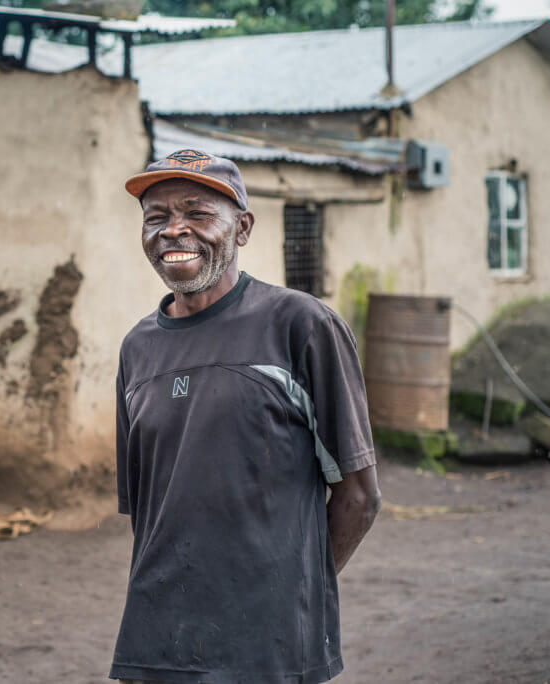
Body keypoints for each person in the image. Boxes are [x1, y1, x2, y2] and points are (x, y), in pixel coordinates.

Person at [110, 150, 382, 684]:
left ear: (243, 228)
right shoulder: (137, 348)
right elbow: (148, 511)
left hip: (271, 647)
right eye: (156, 217)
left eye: (197, 213)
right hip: (157, 642)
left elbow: (359, 495)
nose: (174, 230)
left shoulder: (300, 324)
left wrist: (291, 596)